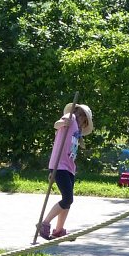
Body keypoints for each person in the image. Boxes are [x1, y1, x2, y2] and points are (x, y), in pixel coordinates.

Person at [38, 102, 93, 240]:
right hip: (59, 165)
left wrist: (80, 140)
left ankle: (59, 230)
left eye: (82, 117)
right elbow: (57, 124)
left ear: (85, 122)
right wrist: (64, 122)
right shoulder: (71, 118)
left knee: (67, 201)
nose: (79, 116)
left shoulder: (78, 131)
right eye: (78, 112)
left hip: (69, 167)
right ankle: (44, 223)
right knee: (68, 198)